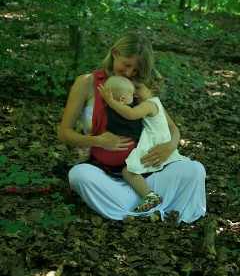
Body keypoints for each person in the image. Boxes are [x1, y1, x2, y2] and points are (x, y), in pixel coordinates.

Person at [58, 35, 206, 222]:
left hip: (143, 173)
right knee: (78, 175)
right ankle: (149, 206)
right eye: (126, 64)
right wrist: (98, 141)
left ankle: (140, 202)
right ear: (114, 53)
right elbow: (64, 134)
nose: (129, 73)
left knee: (195, 170)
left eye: (135, 69)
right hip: (105, 174)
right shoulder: (87, 82)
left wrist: (169, 147)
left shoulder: (138, 86)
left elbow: (171, 127)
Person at [98, 69, 189, 213]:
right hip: (154, 143)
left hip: (155, 146)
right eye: (133, 89)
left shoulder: (149, 104)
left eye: (138, 88)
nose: (133, 93)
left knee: (127, 171)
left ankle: (149, 195)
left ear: (153, 86)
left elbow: (131, 114)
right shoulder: (155, 103)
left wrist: (110, 101)